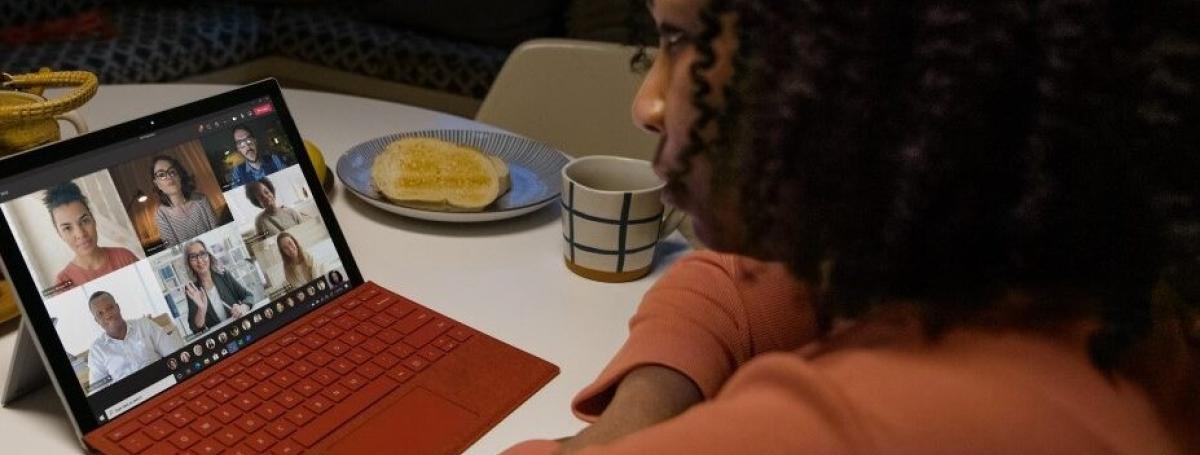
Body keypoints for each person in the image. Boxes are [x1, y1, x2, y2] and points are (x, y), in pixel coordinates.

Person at [505, 0, 1199, 453]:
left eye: (682, 40)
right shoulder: (1096, 304)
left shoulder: (836, 428)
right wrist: (634, 420)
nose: (648, 102)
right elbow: (750, 285)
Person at [42, 182, 139, 289]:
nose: (80, 234)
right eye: (67, 228)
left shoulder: (125, 258)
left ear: (93, 220)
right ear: (59, 234)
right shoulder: (63, 282)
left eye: (84, 221)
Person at [86, 291, 183, 389]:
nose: (108, 315)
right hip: (130, 399)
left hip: (163, 385)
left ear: (118, 308)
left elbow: (175, 354)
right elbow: (99, 390)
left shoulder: (145, 325)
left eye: (110, 308)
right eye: (100, 313)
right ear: (96, 320)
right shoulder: (97, 350)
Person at [183, 240, 253, 333]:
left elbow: (248, 296)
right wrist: (201, 309)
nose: (200, 260)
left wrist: (243, 307)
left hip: (242, 327)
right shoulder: (192, 290)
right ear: (189, 263)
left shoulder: (224, 275)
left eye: (202, 254)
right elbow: (195, 327)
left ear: (209, 255)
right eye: (193, 257)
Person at [151, 155, 219, 247]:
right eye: (161, 174)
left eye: (172, 171)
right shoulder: (161, 214)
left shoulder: (201, 199)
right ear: (157, 184)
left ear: (179, 176)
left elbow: (218, 233)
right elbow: (173, 250)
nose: (168, 177)